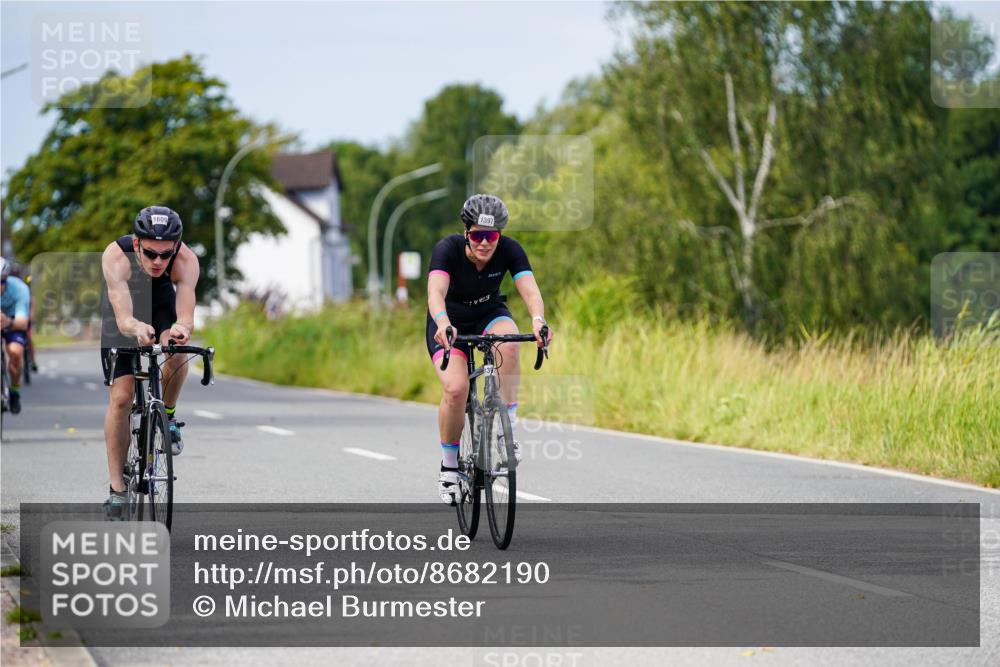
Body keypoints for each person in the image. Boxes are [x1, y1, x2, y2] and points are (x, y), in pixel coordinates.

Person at [426, 194, 552, 505]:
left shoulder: (509, 250)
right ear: (466, 232)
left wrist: (538, 321)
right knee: (455, 390)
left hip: (489, 312)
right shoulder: (448, 249)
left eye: (492, 236)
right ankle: (449, 466)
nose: (485, 243)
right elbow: (435, 293)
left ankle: (505, 429)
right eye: (478, 236)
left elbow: (530, 291)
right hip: (449, 320)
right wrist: (442, 323)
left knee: (508, 345)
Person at [100, 206, 200, 518]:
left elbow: (184, 315)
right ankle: (117, 488)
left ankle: (167, 416)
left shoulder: (186, 260)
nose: (158, 261)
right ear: (137, 243)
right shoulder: (116, 256)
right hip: (124, 314)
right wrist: (135, 328)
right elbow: (123, 314)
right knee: (121, 397)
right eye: (151, 254)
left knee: (177, 350)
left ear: (176, 248)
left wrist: (180, 330)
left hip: (161, 303)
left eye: (165, 254)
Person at [1, 257, 31, 414]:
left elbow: (23, 323)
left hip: (12, 321)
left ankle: (14, 392)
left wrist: (7, 321)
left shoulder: (19, 289)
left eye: (1, 282)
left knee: (16, 352)